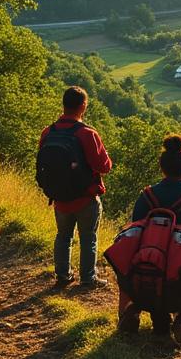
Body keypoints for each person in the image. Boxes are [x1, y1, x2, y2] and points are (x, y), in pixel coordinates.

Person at [118, 135, 181, 346]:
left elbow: (134, 235)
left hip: (142, 281)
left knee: (136, 273)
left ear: (162, 167)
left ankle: (133, 309)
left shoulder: (146, 197)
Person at [40, 86, 114, 289]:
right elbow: (104, 166)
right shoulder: (87, 133)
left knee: (63, 237)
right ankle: (88, 279)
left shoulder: (48, 132)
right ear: (83, 106)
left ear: (63, 104)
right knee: (88, 237)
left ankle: (63, 276)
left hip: (60, 198)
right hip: (85, 197)